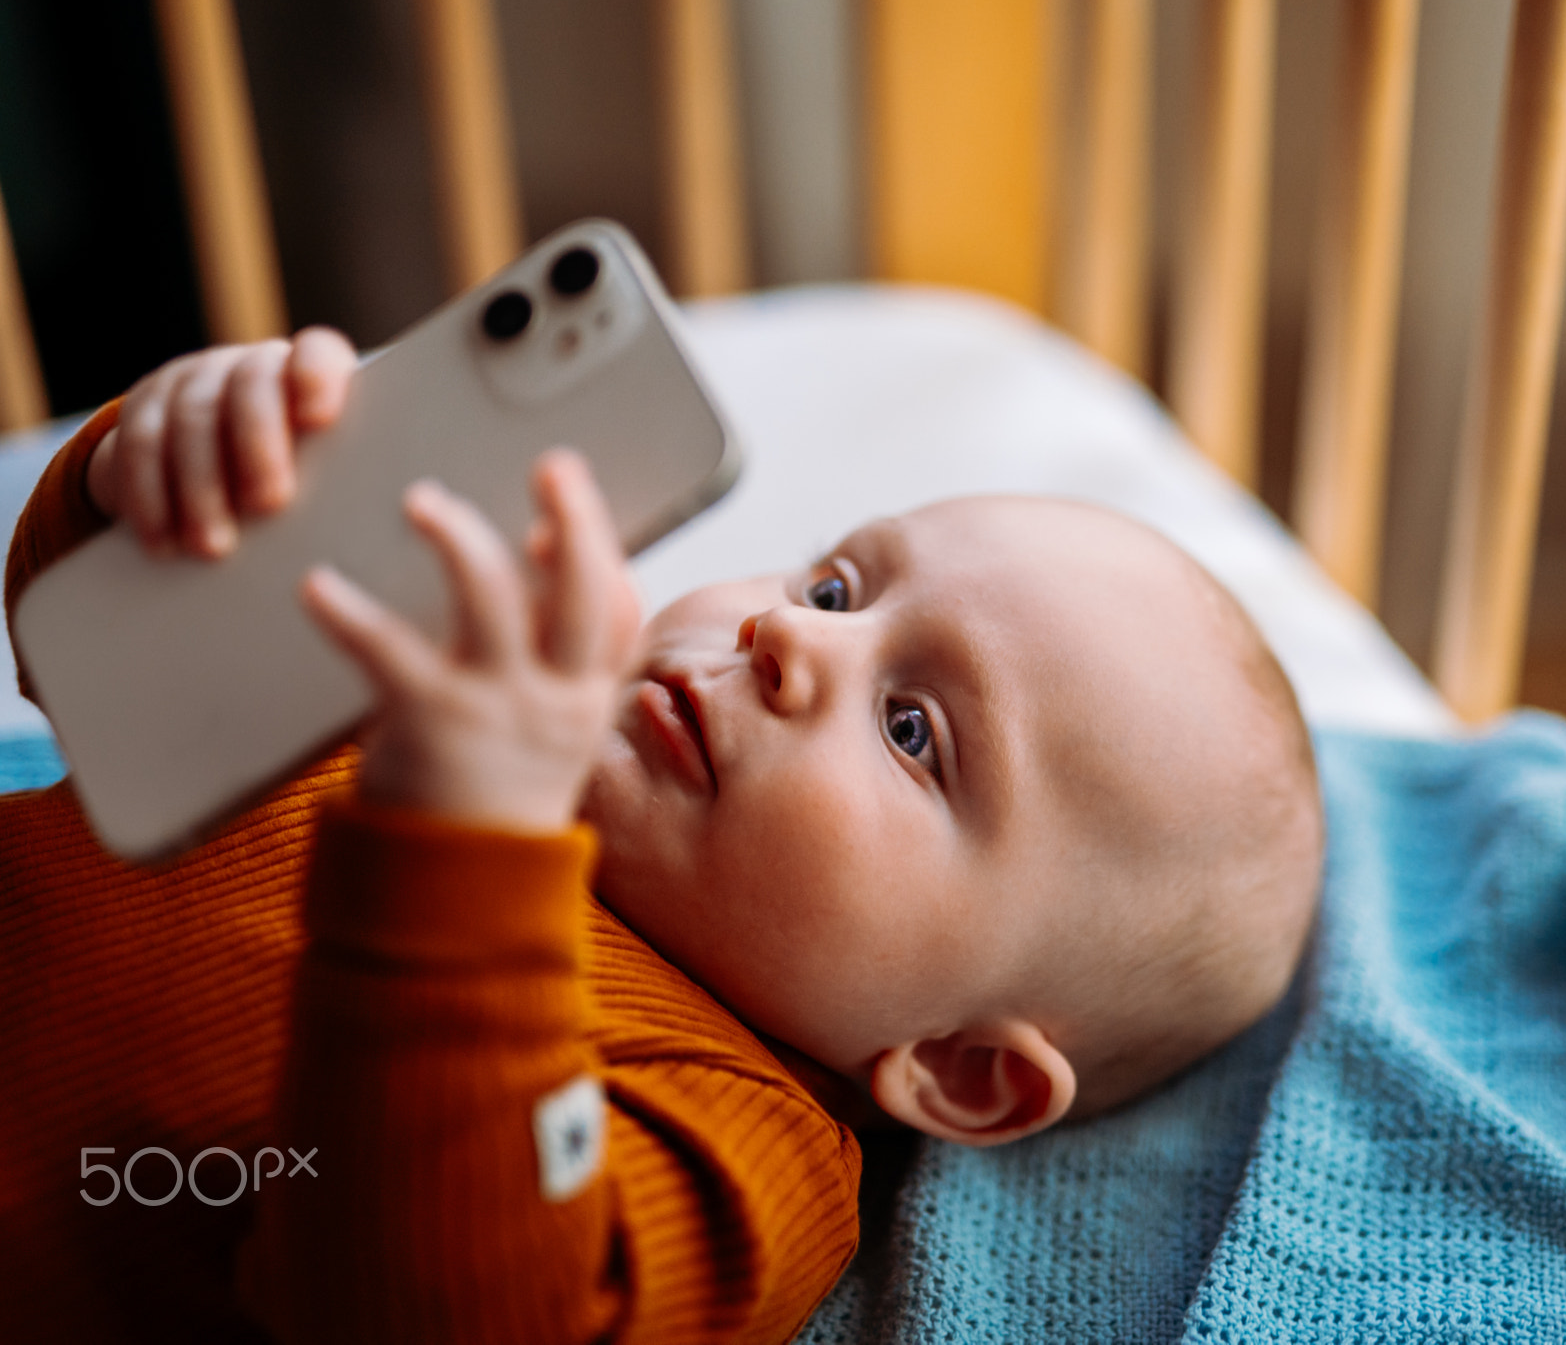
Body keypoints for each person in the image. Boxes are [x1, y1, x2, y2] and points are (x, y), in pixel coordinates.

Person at [0, 327, 1324, 1343]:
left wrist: (465, 838)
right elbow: (103, 692)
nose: (790, 635)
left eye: (914, 729)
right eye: (835, 581)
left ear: (963, 1067)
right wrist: (155, 486)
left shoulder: (739, 1140)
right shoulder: (460, 675)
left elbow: (436, 1300)